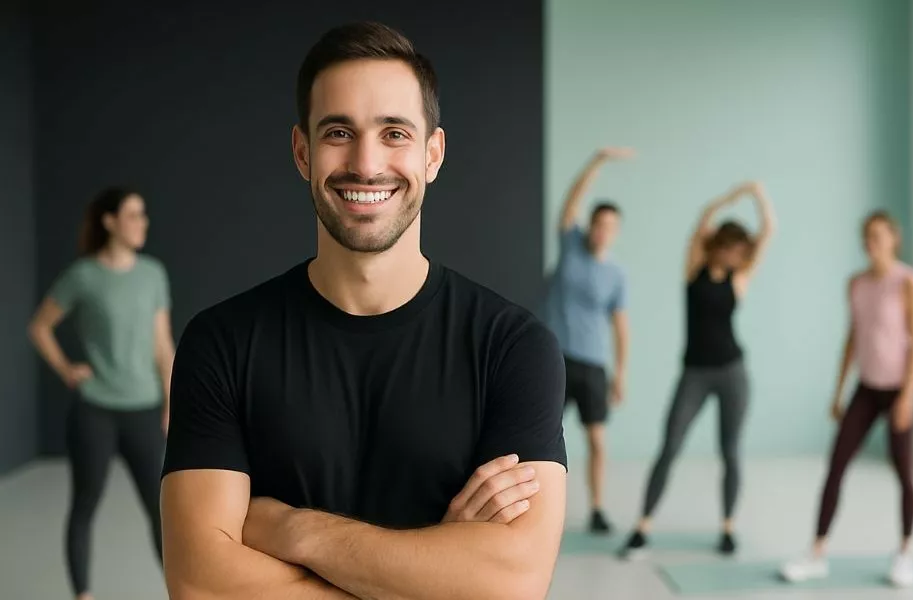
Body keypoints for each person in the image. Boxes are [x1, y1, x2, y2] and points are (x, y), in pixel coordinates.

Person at [159, 22, 568, 600]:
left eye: (394, 133)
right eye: (338, 132)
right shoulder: (221, 343)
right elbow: (201, 584)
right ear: (303, 153)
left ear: (433, 154)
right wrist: (435, 574)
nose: (366, 163)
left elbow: (514, 581)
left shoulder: (514, 347)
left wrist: (296, 529)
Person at [27, 187, 175, 600]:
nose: (142, 222)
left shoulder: (153, 273)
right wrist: (66, 369)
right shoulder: (83, 276)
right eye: (133, 214)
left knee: (161, 512)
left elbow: (162, 344)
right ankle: (83, 595)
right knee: (84, 506)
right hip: (96, 410)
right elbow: (39, 327)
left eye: (143, 214)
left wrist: (170, 399)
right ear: (110, 222)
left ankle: (180, 592)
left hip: (145, 410)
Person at [620, 181, 775, 559]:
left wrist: (758, 195)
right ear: (718, 246)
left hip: (733, 372)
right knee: (670, 446)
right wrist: (728, 199)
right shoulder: (694, 268)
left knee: (730, 450)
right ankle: (642, 526)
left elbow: (768, 232)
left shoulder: (740, 279)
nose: (736, 256)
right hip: (694, 373)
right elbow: (701, 221)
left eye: (741, 252)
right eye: (731, 249)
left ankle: (728, 528)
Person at [779, 210, 913, 587]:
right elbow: (853, 337)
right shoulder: (856, 284)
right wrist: (838, 390)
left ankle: (905, 553)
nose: (871, 242)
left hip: (897, 390)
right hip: (865, 388)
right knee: (836, 465)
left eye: (878, 235)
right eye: (867, 236)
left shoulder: (908, 281)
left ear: (894, 238)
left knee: (903, 471)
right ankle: (816, 552)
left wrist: (908, 397)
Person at [542, 147, 633, 534]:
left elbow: (621, 326)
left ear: (615, 232)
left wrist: (621, 373)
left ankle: (596, 508)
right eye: (598, 224)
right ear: (590, 226)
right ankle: (539, 512)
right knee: (542, 438)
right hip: (555, 358)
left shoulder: (616, 275)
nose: (602, 231)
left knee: (597, 440)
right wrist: (597, 161)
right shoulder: (570, 246)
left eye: (610, 226)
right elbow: (571, 202)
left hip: (593, 364)